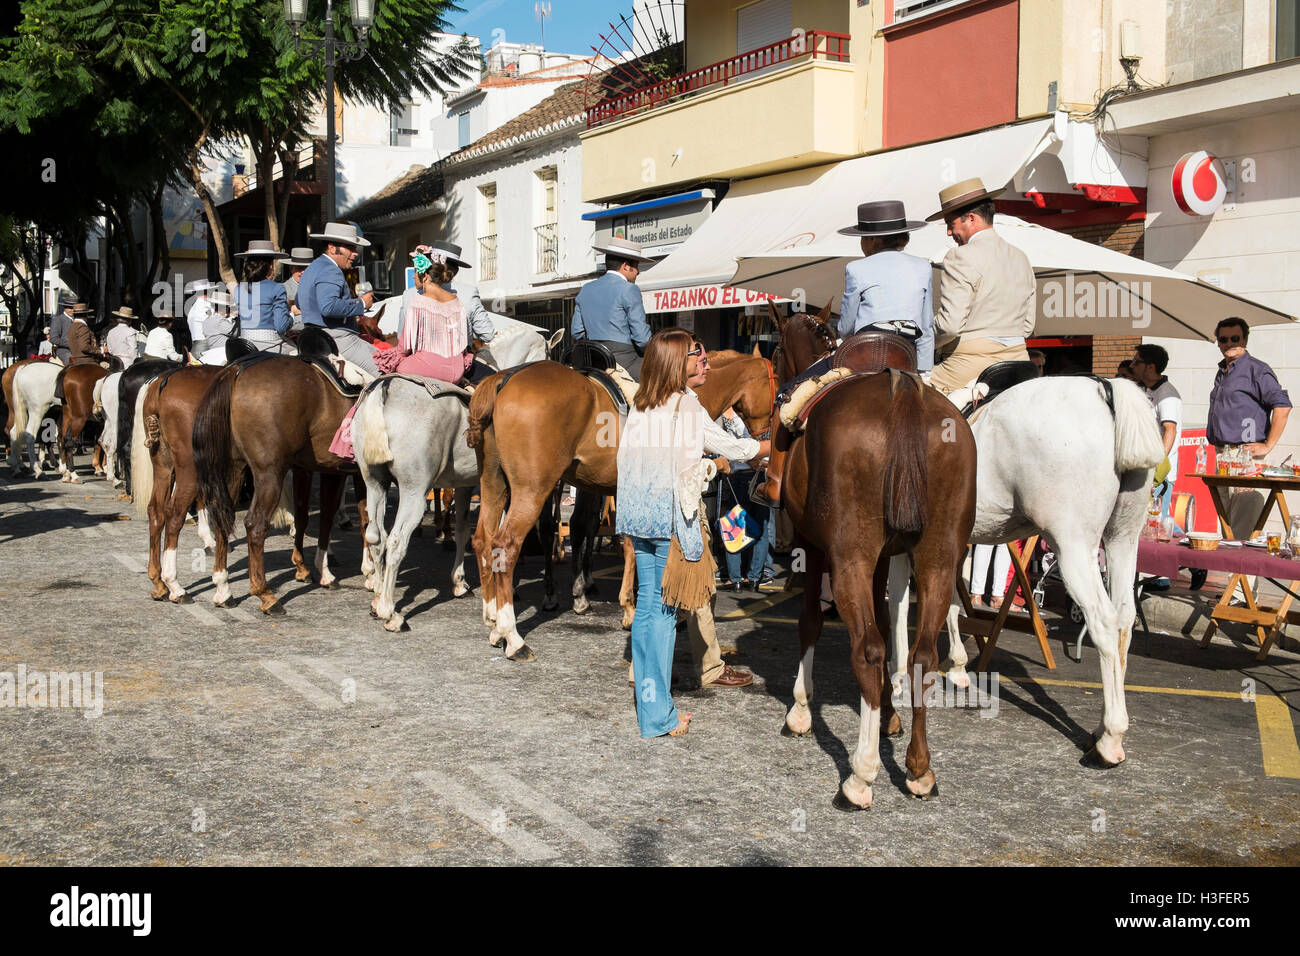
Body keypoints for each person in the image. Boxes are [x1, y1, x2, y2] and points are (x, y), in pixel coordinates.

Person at [757, 199, 930, 507]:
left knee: (786, 395)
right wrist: (924, 373)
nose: (862, 243)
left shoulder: (857, 268)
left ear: (873, 240)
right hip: (907, 357)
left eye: (863, 237)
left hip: (862, 355)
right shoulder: (922, 266)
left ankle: (775, 482)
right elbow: (927, 328)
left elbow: (848, 325)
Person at [616, 328, 707, 738]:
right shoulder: (685, 403)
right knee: (666, 615)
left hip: (638, 513)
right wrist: (732, 461)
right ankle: (660, 716)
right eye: (694, 353)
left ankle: (650, 707)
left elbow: (625, 460)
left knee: (648, 610)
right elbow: (690, 468)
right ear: (676, 362)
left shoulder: (638, 403)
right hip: (670, 516)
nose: (699, 358)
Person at [925, 177, 1036, 396]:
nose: (949, 233)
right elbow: (1028, 326)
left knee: (908, 399)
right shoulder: (1021, 257)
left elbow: (950, 326)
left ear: (972, 218)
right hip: (1019, 364)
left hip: (970, 365)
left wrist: (922, 341)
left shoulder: (960, 255)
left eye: (950, 224)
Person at [1207, 316, 1292, 541]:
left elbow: (1282, 407)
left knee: (1242, 527)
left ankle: (1242, 575)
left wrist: (1267, 445)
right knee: (1226, 526)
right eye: (1224, 339)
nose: (1229, 343)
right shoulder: (1223, 371)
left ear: (1245, 339)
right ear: (1218, 342)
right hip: (1222, 455)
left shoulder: (1257, 370)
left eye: (1235, 338)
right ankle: (1232, 575)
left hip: (1243, 455)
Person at [377, 247, 494, 384]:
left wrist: (392, 361)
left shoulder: (413, 297)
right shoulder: (459, 299)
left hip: (425, 365)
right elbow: (486, 335)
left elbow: (404, 345)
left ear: (425, 275)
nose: (414, 276)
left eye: (416, 272)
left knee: (381, 382)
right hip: (457, 370)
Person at [296, 221, 378, 376]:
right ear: (332, 248)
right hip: (337, 338)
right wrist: (361, 303)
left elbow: (300, 302)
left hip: (311, 336)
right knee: (385, 369)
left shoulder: (312, 267)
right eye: (350, 247)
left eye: (355, 248)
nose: (355, 253)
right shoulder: (330, 269)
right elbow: (328, 307)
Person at [571, 236, 654, 380]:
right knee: (661, 380)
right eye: (637, 266)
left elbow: (577, 332)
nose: (638, 272)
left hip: (593, 360)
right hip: (624, 360)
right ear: (626, 266)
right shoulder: (629, 289)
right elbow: (642, 339)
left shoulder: (586, 289)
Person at [396, 241, 495, 348]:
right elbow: (488, 334)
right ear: (455, 271)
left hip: (419, 360)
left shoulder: (409, 294)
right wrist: (466, 332)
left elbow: (401, 337)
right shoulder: (469, 292)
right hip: (459, 361)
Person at [234, 241, 293, 353]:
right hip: (270, 344)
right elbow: (281, 326)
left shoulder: (238, 289)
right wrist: (291, 317)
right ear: (270, 266)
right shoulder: (277, 288)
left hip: (244, 344)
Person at [202, 288, 238, 364]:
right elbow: (236, 333)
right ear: (225, 307)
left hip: (212, 352)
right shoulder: (220, 321)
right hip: (222, 354)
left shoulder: (207, 320)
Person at [185, 279, 216, 361]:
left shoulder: (193, 307)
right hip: (205, 346)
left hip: (195, 345)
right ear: (208, 291)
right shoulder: (207, 306)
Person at [280, 247, 314, 318]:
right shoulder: (283, 289)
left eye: (307, 268)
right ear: (291, 268)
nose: (303, 272)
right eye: (299, 268)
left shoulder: (318, 287)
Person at [50, 296, 77, 364]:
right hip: (64, 350)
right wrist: (71, 344)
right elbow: (53, 338)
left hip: (80, 350)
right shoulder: (58, 319)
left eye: (74, 308)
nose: (72, 310)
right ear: (65, 307)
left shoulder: (79, 319)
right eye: (70, 308)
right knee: (71, 361)